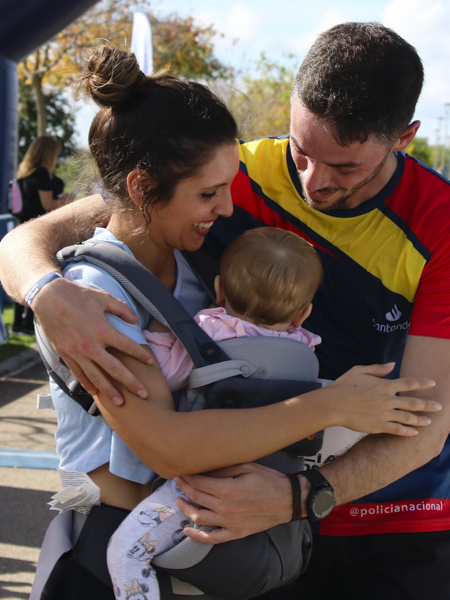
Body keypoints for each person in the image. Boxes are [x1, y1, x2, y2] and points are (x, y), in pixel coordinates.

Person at [0, 23, 450, 599]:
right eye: (302, 151)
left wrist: (298, 496)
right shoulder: (233, 173)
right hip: (245, 523)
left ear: (403, 138)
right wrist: (45, 293)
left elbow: (423, 425)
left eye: (346, 168)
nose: (313, 180)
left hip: (388, 520)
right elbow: (33, 237)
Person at [108, 227, 334, 600]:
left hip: (198, 486)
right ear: (304, 314)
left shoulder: (210, 336)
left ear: (220, 289)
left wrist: (161, 331)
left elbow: (161, 376)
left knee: (126, 553)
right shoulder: (305, 352)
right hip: (272, 485)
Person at [12, 135, 68, 334]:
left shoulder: (25, 173)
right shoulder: (43, 174)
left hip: (21, 230)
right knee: (40, 278)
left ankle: (19, 322)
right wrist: (69, 202)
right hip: (38, 233)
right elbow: (48, 205)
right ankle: (31, 324)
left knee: (24, 277)